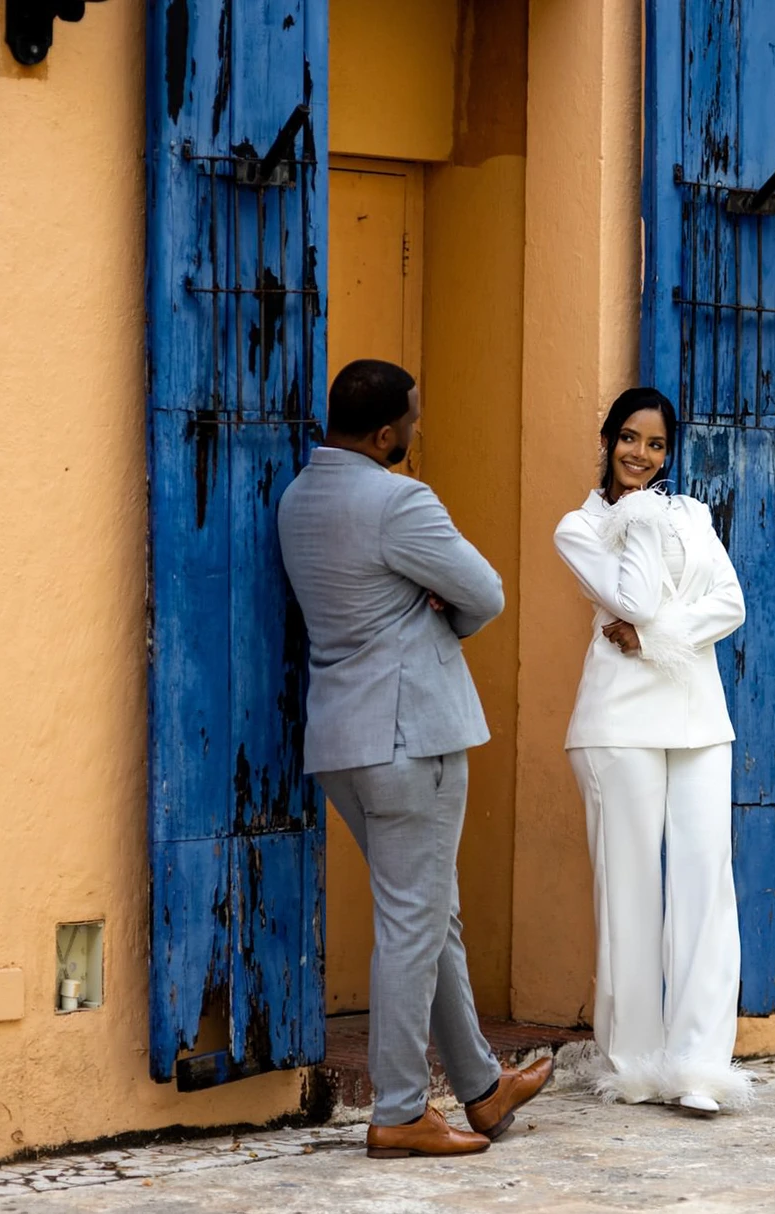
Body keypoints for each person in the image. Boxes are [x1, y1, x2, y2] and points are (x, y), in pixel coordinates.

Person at [277, 358, 554, 1158]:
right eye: (415, 420)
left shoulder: (299, 497)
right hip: (411, 737)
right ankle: (399, 1110)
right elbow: (487, 592)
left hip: (342, 740)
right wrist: (442, 616)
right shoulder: (399, 499)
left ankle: (481, 1088)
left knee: (432, 914)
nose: (418, 432)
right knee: (412, 921)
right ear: (388, 432)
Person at [552, 386, 753, 1114]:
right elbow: (631, 599)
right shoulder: (578, 527)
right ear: (608, 440)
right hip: (617, 722)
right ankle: (635, 1064)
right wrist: (634, 517)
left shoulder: (693, 515)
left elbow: (728, 603)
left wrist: (660, 639)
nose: (642, 454)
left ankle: (700, 1068)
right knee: (630, 891)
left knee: (706, 887)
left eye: (657, 444)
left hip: (699, 716)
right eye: (630, 439)